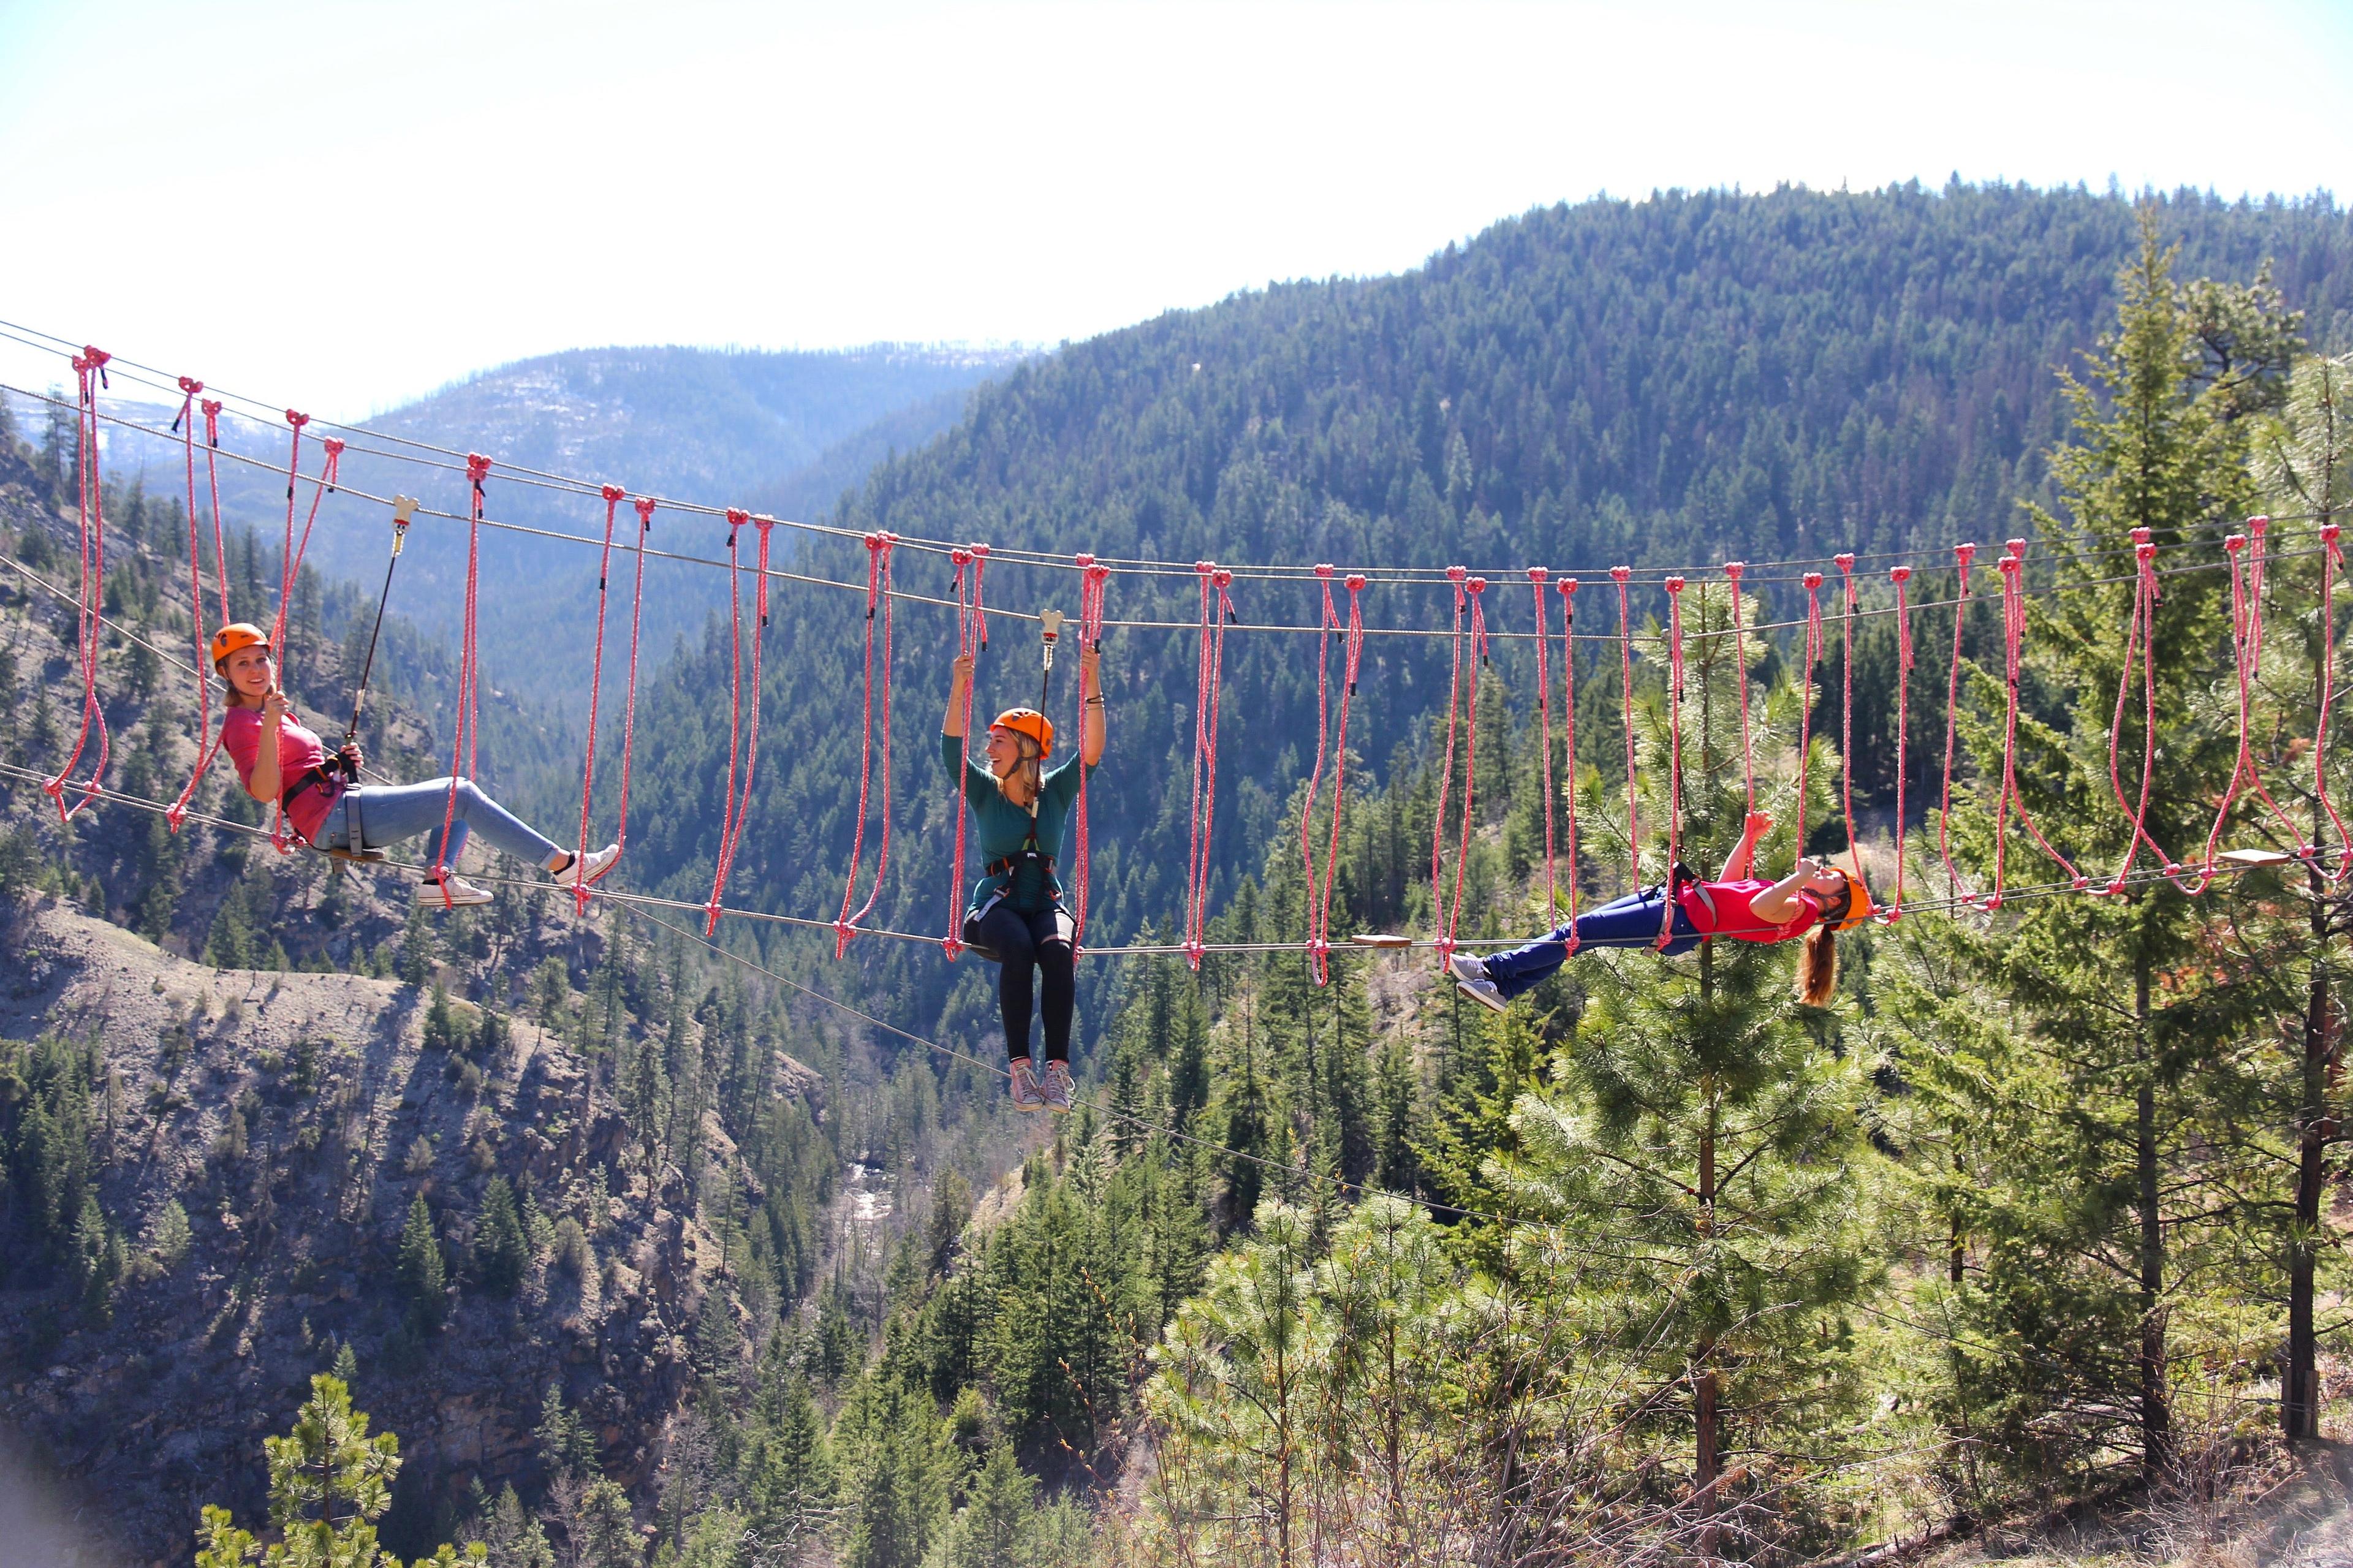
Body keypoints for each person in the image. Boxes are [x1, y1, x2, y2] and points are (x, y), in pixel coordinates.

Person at [210, 622, 618, 906]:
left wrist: (335, 762)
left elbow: (295, 774)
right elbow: (263, 790)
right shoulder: (244, 722)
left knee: (456, 796)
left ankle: (438, 877)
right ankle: (564, 866)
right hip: (330, 818)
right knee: (460, 794)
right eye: (242, 664)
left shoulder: (269, 712)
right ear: (226, 673)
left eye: (260, 660)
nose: (255, 671)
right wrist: (272, 726)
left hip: (335, 807)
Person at [1448, 811, 1871, 1011]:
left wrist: (1797, 879)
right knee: (1577, 936)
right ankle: (1504, 988)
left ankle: (1494, 970)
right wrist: (1749, 837)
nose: (1828, 872)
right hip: (1678, 904)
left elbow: (1761, 906)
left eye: (1835, 877)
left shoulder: (1798, 911)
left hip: (1682, 920)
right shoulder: (1794, 900)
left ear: (1834, 903)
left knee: (1580, 931)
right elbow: (1730, 884)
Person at [942, 643, 1107, 1113]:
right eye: (990, 741)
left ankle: (1057, 1072)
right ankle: (1021, 1071)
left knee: (1056, 951)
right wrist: (958, 687)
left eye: (999, 741)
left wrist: (1092, 681)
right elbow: (949, 750)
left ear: (1026, 749)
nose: (988, 749)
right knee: (1018, 947)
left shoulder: (1055, 791)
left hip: (1045, 905)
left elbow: (1091, 751)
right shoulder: (983, 792)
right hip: (995, 908)